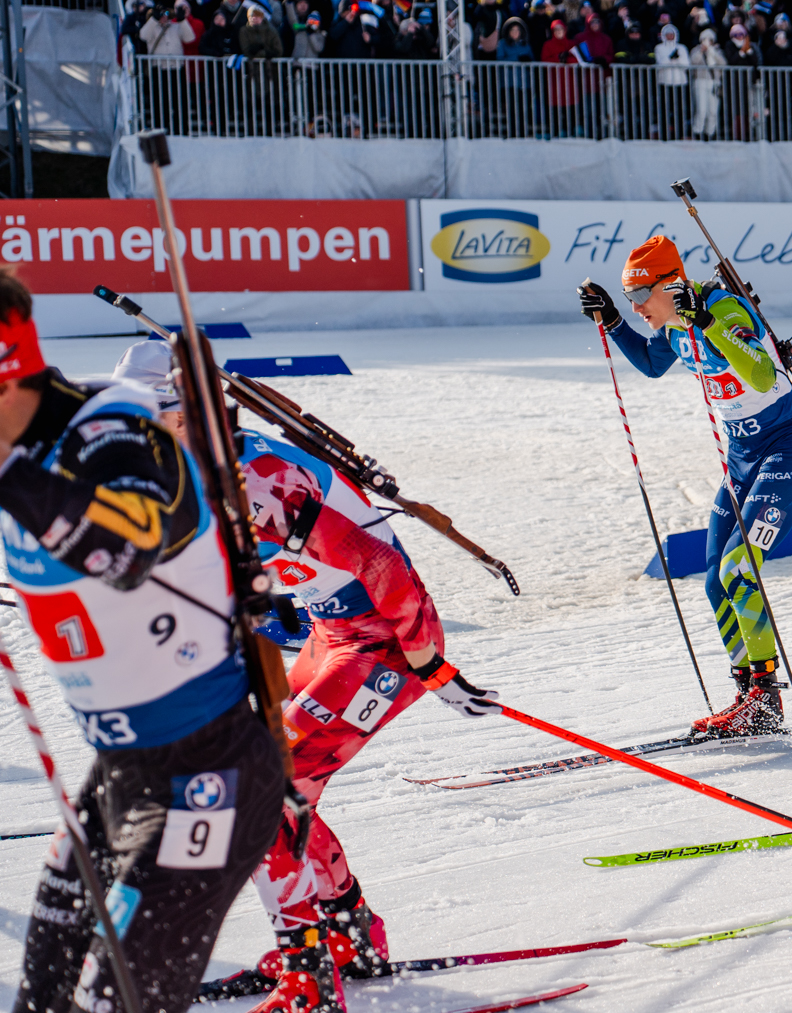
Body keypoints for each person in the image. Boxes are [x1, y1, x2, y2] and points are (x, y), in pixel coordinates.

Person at [111, 339, 496, 1012]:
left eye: (144, 417)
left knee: (264, 794)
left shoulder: (254, 478)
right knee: (285, 793)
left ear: (185, 411)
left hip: (385, 637)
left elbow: (379, 563)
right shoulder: (198, 461)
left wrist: (430, 663)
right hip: (333, 629)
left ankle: (314, 968)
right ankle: (348, 937)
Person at [0, 273, 290, 1012]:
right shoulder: (21, 454)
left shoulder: (113, 430)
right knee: (42, 998)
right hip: (117, 775)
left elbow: (128, 547)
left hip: (210, 771)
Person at [578, 236, 792, 737]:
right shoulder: (672, 325)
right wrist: (613, 320)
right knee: (715, 581)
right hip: (742, 459)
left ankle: (767, 699)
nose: (637, 306)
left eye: (640, 295)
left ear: (671, 284)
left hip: (787, 450)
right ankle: (747, 695)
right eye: (628, 298)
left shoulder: (721, 308)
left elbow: (760, 374)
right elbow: (651, 364)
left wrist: (706, 321)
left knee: (739, 570)